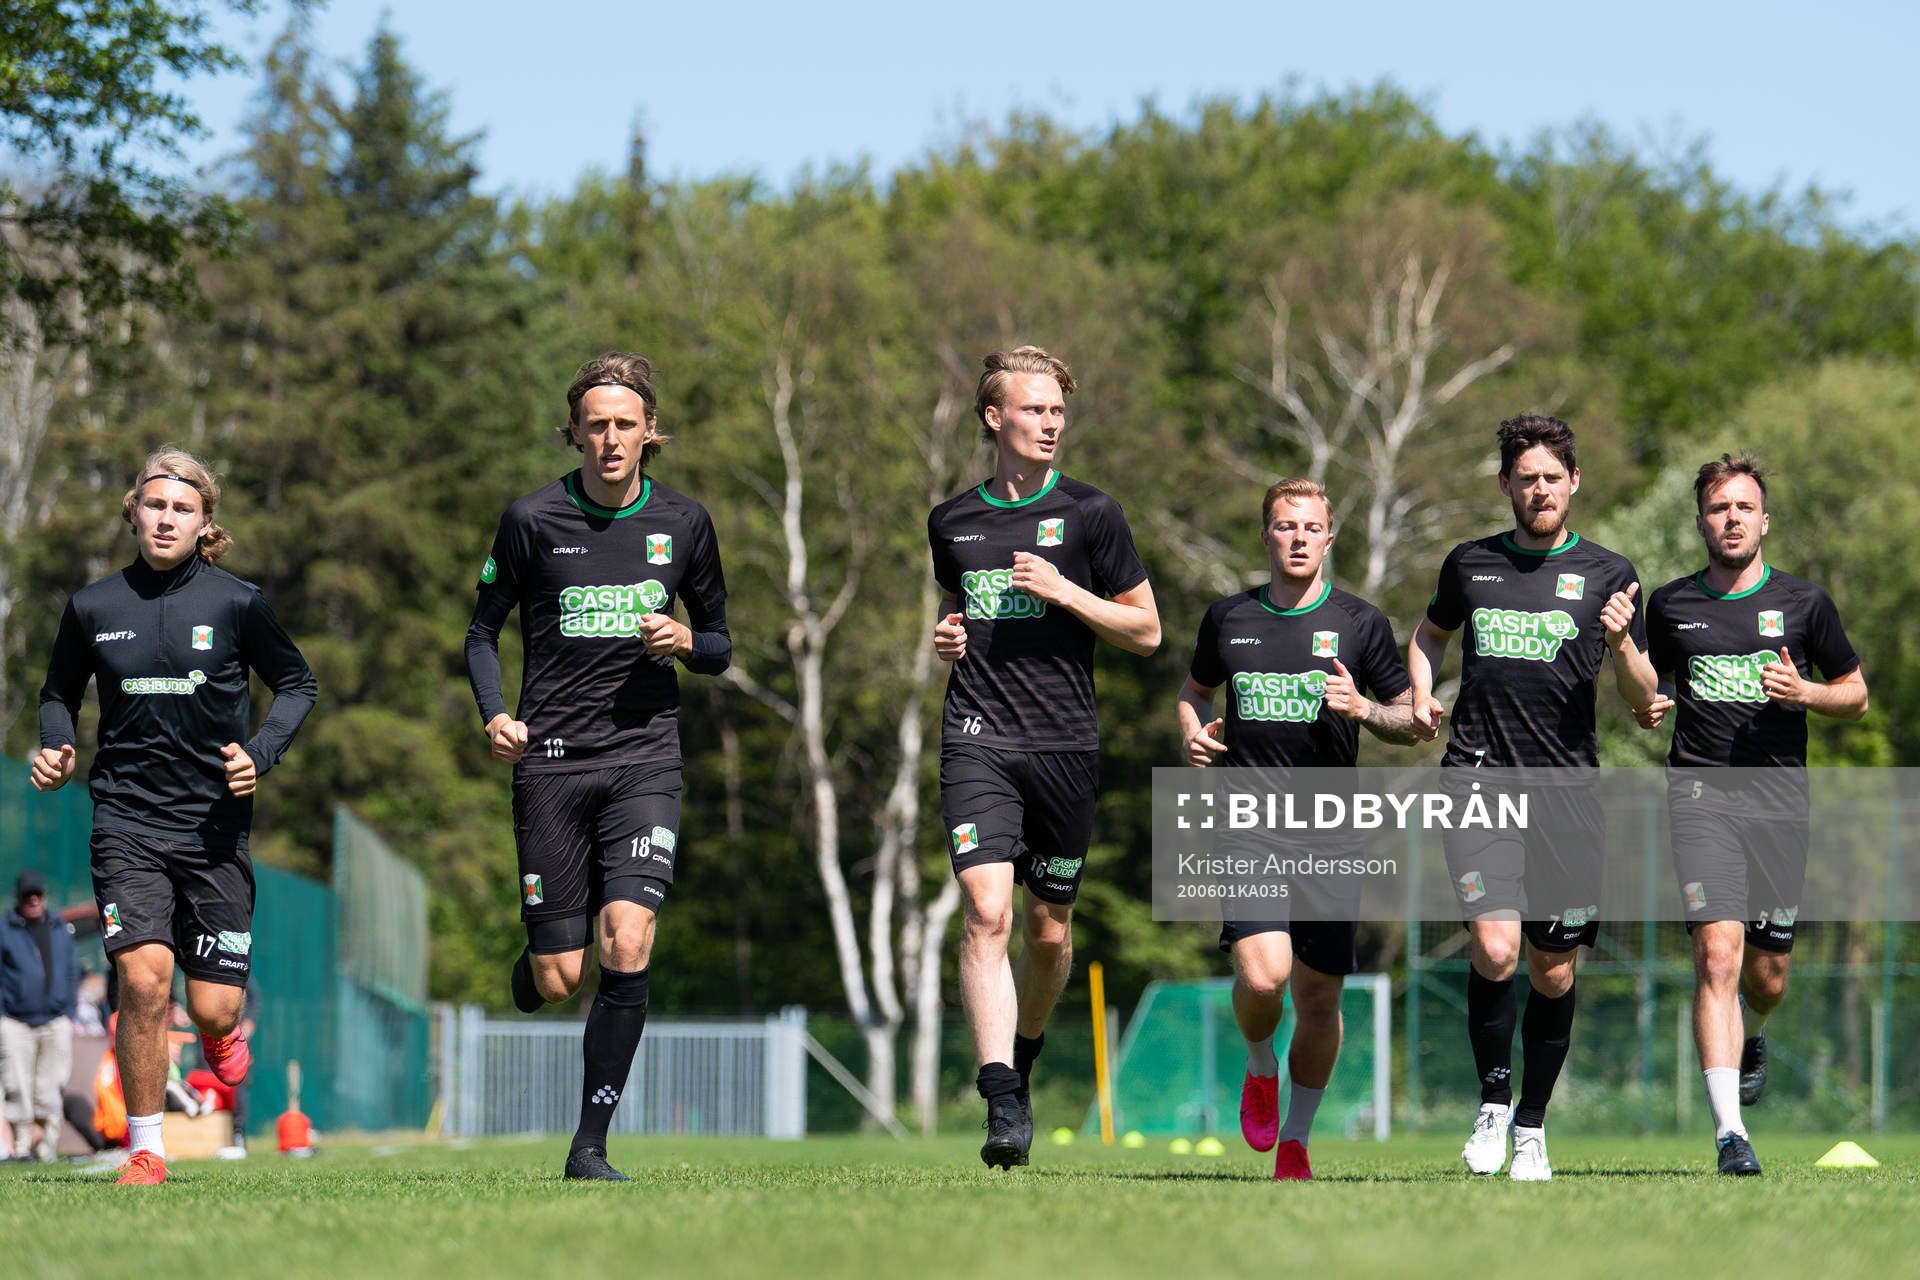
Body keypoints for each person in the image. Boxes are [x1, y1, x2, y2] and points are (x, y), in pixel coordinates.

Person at [466, 352, 729, 1181]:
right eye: (596, 425)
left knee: (628, 937)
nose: (610, 439)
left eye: (626, 424)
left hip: (644, 763)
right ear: (574, 432)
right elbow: (480, 631)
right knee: (559, 976)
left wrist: (687, 640)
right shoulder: (531, 519)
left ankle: (589, 1146)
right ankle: (537, 962)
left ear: (650, 431)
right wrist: (496, 713)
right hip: (549, 764)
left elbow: (720, 644)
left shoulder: (685, 524)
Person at [32, 448, 317, 1185]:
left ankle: (220, 1041)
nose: (166, 518)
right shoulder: (94, 606)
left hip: (215, 830)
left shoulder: (236, 602)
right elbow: (57, 692)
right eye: (155, 505)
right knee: (146, 982)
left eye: (182, 508)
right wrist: (58, 747)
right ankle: (146, 1148)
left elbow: (296, 682)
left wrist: (262, 752)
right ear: (133, 511)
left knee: (216, 1008)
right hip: (125, 823)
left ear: (204, 522)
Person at [1407, 415, 1659, 1181]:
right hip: (1478, 776)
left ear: (1574, 482)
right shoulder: (1470, 564)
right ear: (1506, 486)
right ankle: (1490, 1107)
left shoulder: (1613, 575)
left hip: (1568, 794)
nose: (1540, 488)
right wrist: (1420, 693)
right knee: (1494, 946)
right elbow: (1428, 634)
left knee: (1553, 971)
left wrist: (1621, 645)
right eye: (1526, 477)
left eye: (1553, 476)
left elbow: (1645, 698)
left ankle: (1532, 1128)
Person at [928, 346, 1160, 1168]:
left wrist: (1068, 593)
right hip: (979, 737)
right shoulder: (952, 520)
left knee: (1048, 933)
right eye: (1034, 410)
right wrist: (950, 636)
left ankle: (1021, 1062)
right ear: (995, 418)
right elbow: (960, 612)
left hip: (1065, 745)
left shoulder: (1094, 515)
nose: (1050, 422)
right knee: (986, 911)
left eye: (1058, 411)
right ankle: (998, 1100)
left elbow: (1147, 631)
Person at [1177, 478, 1417, 1180]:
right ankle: (1259, 1066)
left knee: (1319, 998)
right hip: (1249, 822)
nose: (1299, 537)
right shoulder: (1228, 619)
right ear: (1267, 536)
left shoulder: (1360, 623)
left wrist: (1366, 710)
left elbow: (1410, 722)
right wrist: (1194, 734)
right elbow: (1193, 692)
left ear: (1330, 536)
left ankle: (1296, 1143)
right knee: (1264, 975)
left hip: (1331, 833)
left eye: (1311, 526)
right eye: (1286, 526)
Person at [1642, 453, 1867, 1175]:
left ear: (1764, 521)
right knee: (1716, 956)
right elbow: (1647, 687)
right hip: (1700, 799)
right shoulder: (1672, 606)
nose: (1731, 518)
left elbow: (1855, 692)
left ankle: (1755, 1033)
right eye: (1718, 507)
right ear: (1701, 521)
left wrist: (1806, 694)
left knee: (1766, 977)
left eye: (1743, 507)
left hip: (1780, 807)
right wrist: (1639, 689)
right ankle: (1730, 1136)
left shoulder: (1806, 604)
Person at [1, 870, 81, 1160]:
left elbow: (72, 970)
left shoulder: (59, 927)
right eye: (27, 895)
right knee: (16, 1084)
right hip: (14, 1021)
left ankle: (47, 1146)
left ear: (45, 895)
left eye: (38, 894)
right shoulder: (5, 929)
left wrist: (68, 1010)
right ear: (18, 898)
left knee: (50, 1085)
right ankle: (21, 1146)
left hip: (55, 1019)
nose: (33, 900)